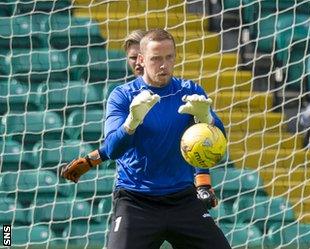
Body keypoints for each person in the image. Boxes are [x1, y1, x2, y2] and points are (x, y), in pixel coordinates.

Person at [61, 29, 231, 249]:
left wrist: (207, 118)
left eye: (169, 57)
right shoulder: (122, 96)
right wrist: (131, 122)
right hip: (135, 201)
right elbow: (113, 150)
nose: (164, 65)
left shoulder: (190, 91)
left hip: (183, 199)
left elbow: (218, 144)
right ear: (142, 60)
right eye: (156, 59)